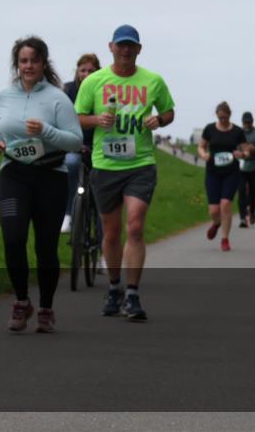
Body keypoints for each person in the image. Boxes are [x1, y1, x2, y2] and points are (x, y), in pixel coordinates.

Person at [75, 24, 175, 322]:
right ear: (111, 47)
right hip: (105, 165)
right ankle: (114, 288)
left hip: (140, 164)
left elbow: (169, 111)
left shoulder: (153, 81)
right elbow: (78, 117)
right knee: (112, 231)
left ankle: (132, 294)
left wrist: (160, 120)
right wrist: (97, 119)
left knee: (134, 226)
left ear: (139, 49)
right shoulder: (94, 81)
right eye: (121, 45)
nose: (126, 50)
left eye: (131, 45)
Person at [0, 37, 82, 333]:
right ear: (17, 64)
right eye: (23, 61)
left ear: (44, 64)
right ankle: (21, 301)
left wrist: (46, 130)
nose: (28, 66)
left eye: (34, 61)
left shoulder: (57, 98)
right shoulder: (3, 97)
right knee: (13, 239)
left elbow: (76, 140)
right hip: (14, 175)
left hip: (50, 176)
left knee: (45, 247)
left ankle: (45, 307)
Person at [198, 103, 248, 251]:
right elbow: (201, 146)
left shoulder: (237, 131)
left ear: (230, 115)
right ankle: (217, 223)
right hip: (213, 173)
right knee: (214, 210)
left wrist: (242, 154)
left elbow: (246, 149)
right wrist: (203, 155)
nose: (223, 120)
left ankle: (225, 239)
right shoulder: (210, 129)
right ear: (216, 115)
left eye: (225, 118)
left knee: (225, 204)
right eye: (220, 118)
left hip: (231, 173)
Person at [61, 53, 101, 234]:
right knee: (70, 163)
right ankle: (68, 213)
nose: (86, 74)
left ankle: (104, 248)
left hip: (98, 146)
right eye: (82, 70)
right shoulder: (68, 90)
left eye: (90, 71)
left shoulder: (102, 91)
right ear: (77, 72)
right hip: (75, 144)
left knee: (101, 190)